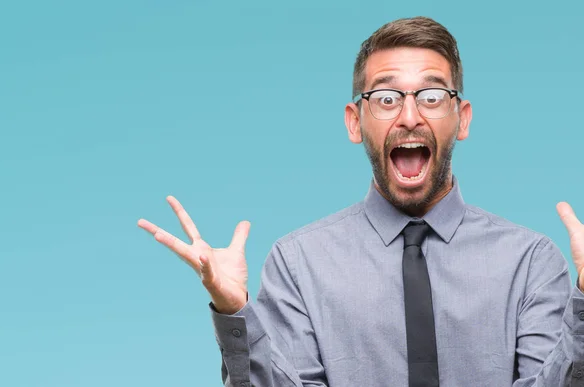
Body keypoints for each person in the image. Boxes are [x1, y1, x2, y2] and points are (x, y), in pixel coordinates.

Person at [138, 16, 584, 387]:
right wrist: (235, 315)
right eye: (386, 98)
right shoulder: (299, 264)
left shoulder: (531, 262)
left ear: (461, 118)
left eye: (431, 96)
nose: (410, 116)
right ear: (355, 123)